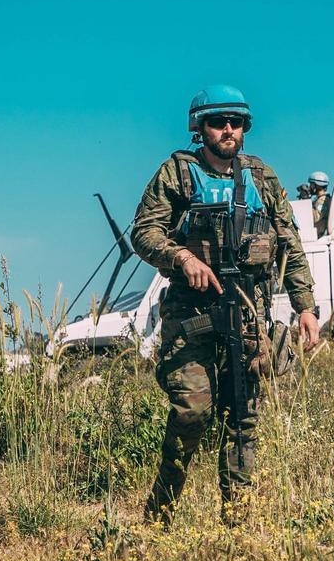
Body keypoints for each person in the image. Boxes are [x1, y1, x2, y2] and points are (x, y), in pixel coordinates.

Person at [131, 84, 321, 524]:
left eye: (236, 123)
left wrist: (305, 306)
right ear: (201, 128)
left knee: (243, 418)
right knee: (192, 412)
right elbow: (144, 231)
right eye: (218, 122)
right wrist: (180, 256)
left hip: (249, 314)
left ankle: (238, 525)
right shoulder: (177, 172)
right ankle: (159, 516)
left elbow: (290, 244)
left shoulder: (262, 178)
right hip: (192, 315)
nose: (228, 130)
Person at [307, 171, 331, 235]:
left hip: (320, 237)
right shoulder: (318, 200)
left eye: (311, 184)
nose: (310, 187)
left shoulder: (323, 201)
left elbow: (315, 218)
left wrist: (306, 202)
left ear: (317, 185)